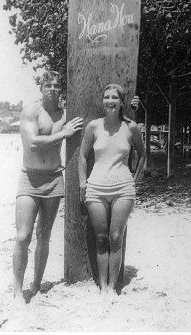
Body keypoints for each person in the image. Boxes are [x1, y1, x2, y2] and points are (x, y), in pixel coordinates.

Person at [13, 71, 83, 305]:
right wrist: (63, 134)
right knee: (23, 236)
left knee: (44, 236)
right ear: (41, 88)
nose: (52, 89)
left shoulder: (65, 114)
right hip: (30, 178)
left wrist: (132, 107)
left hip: (54, 178)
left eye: (56, 85)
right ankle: (16, 291)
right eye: (48, 85)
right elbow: (32, 143)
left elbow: (101, 111)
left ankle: (35, 285)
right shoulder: (32, 111)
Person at [78, 84, 146, 298]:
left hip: (123, 189)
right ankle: (102, 286)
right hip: (96, 188)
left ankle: (112, 289)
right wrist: (82, 183)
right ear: (102, 101)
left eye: (114, 97)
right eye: (106, 97)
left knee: (116, 236)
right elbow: (82, 156)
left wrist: (134, 180)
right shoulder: (94, 126)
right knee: (100, 238)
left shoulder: (131, 127)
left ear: (121, 102)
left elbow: (143, 154)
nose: (110, 100)